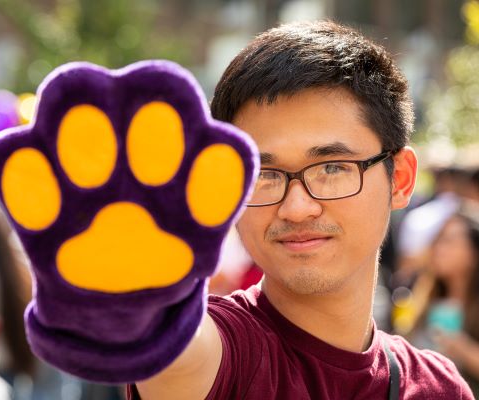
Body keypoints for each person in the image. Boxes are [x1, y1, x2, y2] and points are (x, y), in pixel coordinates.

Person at [128, 21, 472, 399]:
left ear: (401, 179)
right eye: (264, 174)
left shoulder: (436, 388)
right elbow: (175, 349)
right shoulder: (226, 351)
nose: (296, 208)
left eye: (332, 168)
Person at [408, 208, 479, 396]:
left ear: (474, 253)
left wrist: (462, 349)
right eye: (438, 240)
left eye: (449, 241)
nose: (438, 249)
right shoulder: (424, 299)